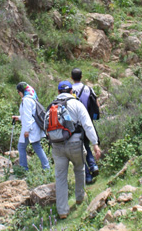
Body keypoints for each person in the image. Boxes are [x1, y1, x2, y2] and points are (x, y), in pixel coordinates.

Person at [47, 81, 101, 219]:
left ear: (58, 92)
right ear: (71, 91)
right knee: (79, 168)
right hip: (76, 143)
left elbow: (45, 127)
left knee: (60, 177)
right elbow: (87, 125)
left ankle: (62, 211)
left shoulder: (51, 106)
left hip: (57, 146)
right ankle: (80, 198)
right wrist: (95, 144)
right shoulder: (77, 104)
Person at [12, 82, 50, 173]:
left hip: (30, 129)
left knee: (21, 147)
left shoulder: (26, 100)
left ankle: (24, 169)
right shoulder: (31, 98)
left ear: (21, 91)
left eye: (18, 91)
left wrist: (27, 130)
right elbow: (28, 115)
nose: (18, 94)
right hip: (32, 128)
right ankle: (46, 168)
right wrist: (19, 118)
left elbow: (28, 116)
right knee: (37, 147)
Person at [71, 68, 100, 184]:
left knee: (80, 149)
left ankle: (88, 175)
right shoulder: (88, 89)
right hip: (88, 121)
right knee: (87, 144)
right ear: (81, 76)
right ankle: (93, 165)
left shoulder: (70, 90)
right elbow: (96, 103)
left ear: (72, 77)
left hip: (76, 124)